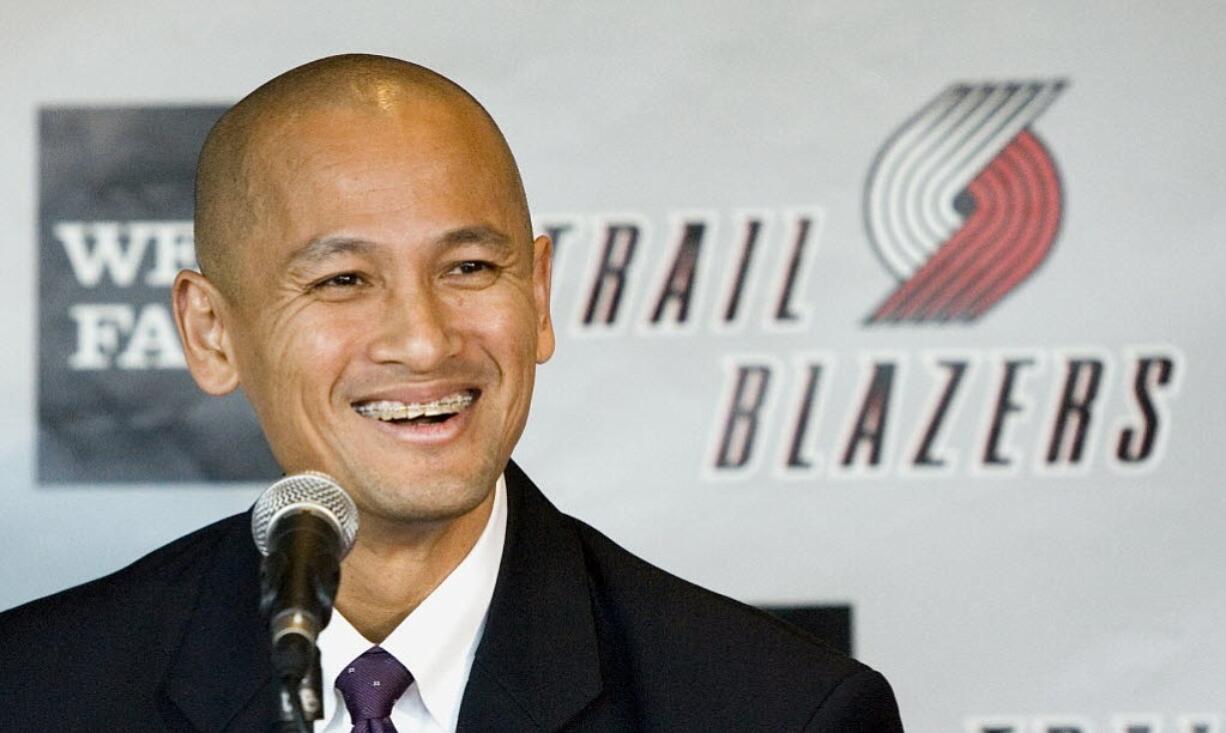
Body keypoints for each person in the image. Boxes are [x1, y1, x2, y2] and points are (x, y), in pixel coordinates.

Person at [0, 54, 903, 731]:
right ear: (209, 330)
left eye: (470, 266)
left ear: (539, 297)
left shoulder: (778, 712)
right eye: (344, 280)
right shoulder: (36, 691)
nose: (425, 339)